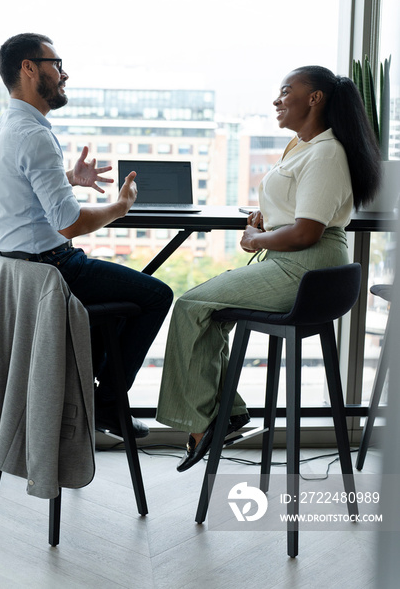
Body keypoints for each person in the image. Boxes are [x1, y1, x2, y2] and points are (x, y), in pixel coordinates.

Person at [156, 65, 382, 471]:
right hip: (296, 262)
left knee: (191, 305)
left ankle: (208, 423)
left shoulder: (327, 152)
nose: (277, 100)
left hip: (305, 268)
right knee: (204, 309)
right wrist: (268, 215)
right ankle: (224, 416)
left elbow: (307, 232)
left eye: (285, 91)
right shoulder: (302, 145)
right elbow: (298, 210)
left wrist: (255, 240)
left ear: (315, 99)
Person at [0, 33, 173, 438]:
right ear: (29, 68)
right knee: (157, 295)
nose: (64, 73)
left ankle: (86, 390)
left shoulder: (2, 129)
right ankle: (105, 404)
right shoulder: (36, 135)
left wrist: (68, 179)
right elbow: (68, 224)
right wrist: (121, 207)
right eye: (56, 64)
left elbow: (22, 189)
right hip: (55, 270)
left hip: (19, 273)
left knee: (116, 303)